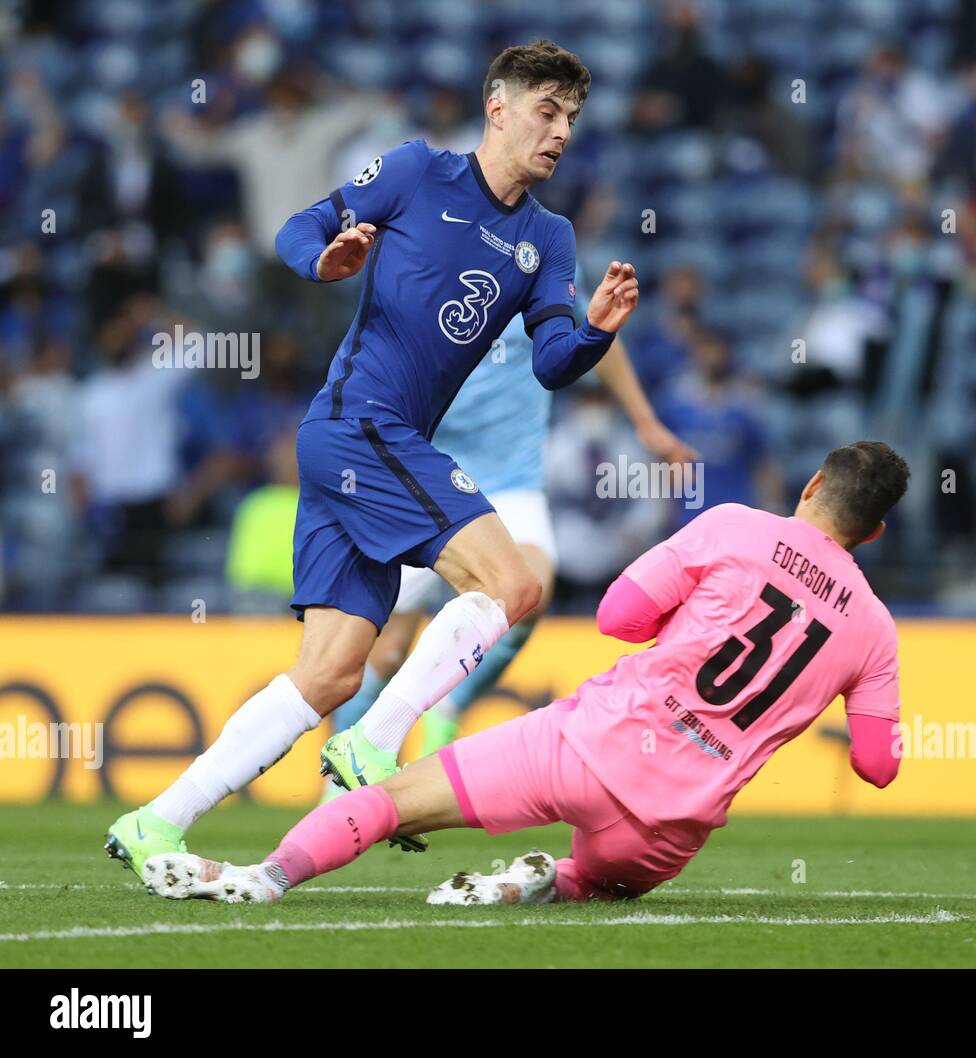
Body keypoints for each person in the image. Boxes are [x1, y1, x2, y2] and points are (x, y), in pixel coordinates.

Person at [106, 39, 640, 881]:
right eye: (547, 110)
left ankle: (155, 821)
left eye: (572, 116)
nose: (561, 130)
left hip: (372, 444)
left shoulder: (550, 238)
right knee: (515, 584)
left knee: (326, 673)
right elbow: (298, 226)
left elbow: (550, 363)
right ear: (497, 107)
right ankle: (376, 742)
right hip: (361, 425)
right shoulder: (416, 171)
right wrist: (321, 261)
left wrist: (597, 332)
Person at [141, 441, 910, 906]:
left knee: (386, 802)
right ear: (873, 532)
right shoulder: (874, 628)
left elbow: (618, 617)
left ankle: (271, 876)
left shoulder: (735, 526)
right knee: (595, 884)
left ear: (811, 486)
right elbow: (876, 767)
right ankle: (543, 882)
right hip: (669, 830)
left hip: (586, 748)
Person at [326, 271, 696, 758]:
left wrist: (647, 425)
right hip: (428, 474)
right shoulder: (423, 275)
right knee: (388, 649)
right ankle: (339, 777)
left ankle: (448, 709)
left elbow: (601, 336)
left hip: (510, 480)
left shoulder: (538, 266)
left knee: (529, 590)